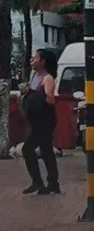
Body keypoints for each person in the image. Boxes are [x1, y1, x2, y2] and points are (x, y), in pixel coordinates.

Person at [20, 49, 61, 195]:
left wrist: (31, 92)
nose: (31, 60)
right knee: (46, 150)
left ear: (43, 61)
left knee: (27, 149)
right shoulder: (34, 76)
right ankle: (53, 183)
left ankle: (37, 182)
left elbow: (50, 100)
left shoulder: (47, 78)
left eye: (35, 58)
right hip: (36, 119)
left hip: (44, 120)